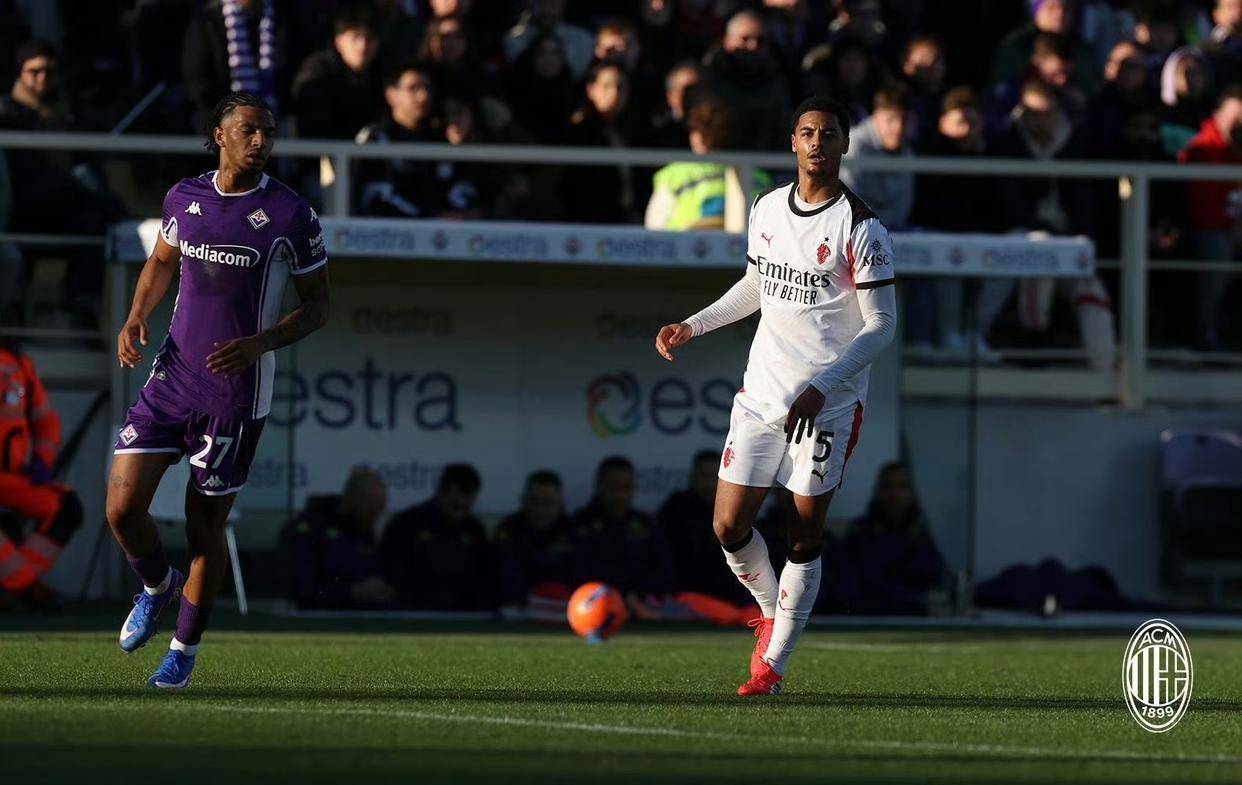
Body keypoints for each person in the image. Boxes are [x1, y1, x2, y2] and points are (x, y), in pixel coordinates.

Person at [654, 96, 897, 696]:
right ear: (793, 142)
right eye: (807, 132)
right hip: (762, 396)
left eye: (829, 134)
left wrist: (822, 386)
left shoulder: (861, 226)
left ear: (844, 146)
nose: (817, 143)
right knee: (728, 525)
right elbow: (756, 285)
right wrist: (693, 325)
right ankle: (771, 612)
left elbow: (881, 325)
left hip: (827, 406)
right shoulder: (765, 207)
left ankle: (773, 666)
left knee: (803, 534)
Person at [107, 91, 330, 690]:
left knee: (203, 527)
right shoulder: (185, 197)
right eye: (250, 130)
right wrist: (135, 316)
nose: (261, 142)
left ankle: (183, 650)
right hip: (172, 378)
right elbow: (161, 261)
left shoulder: (290, 214)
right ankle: (158, 585)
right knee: (121, 509)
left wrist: (259, 344)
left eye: (269, 133)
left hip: (234, 394)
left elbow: (319, 308)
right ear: (220, 135)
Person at [0, 339, 82, 609]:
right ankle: (28, 588)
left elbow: (45, 421)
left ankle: (19, 586)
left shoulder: (18, 364)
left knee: (66, 507)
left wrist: (42, 461)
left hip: (13, 477)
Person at [819, 461, 949, 614]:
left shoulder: (924, 538)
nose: (894, 494)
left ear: (912, 492)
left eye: (901, 486)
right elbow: (851, 587)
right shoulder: (858, 536)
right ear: (878, 490)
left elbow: (933, 585)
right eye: (888, 486)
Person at [644, 99, 772, 233]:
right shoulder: (758, 176)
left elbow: (653, 228)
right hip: (743, 244)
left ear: (697, 137)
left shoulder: (675, 175)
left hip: (685, 244)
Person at [1178, 85, 1242, 350]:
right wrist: (1234, 227)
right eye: (1235, 119)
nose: (1239, 126)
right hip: (1205, 230)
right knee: (1217, 250)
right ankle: (1204, 334)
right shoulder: (1202, 150)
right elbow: (1204, 212)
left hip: (1232, 228)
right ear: (1218, 116)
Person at [569, 456, 676, 610]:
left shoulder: (647, 524)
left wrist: (639, 595)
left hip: (641, 605)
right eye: (612, 486)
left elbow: (664, 571)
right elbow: (576, 573)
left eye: (626, 487)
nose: (619, 494)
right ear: (599, 486)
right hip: (592, 604)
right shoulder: (579, 524)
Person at [380, 463, 493, 611]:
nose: (460, 513)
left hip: (463, 612)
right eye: (455, 506)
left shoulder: (474, 530)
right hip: (415, 610)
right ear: (440, 492)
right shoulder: (407, 524)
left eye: (467, 508)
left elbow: (484, 576)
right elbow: (392, 572)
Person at [284, 467, 396, 610]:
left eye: (379, 510)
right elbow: (304, 590)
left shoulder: (364, 531)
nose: (375, 518)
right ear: (351, 500)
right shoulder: (310, 531)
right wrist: (352, 592)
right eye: (370, 510)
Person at [658, 450, 751, 605]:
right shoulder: (676, 509)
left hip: (731, 595)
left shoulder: (735, 509)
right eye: (703, 476)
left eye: (714, 476)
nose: (709, 483)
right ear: (692, 478)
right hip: (686, 593)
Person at [290, 3, 382, 139]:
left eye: (369, 38)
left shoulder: (382, 73)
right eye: (355, 37)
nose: (362, 46)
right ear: (338, 41)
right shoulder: (317, 73)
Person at [702, 9, 790, 150]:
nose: (753, 46)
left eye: (760, 40)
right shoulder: (708, 79)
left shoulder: (778, 78)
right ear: (727, 40)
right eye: (745, 39)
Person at [493, 470, 576, 614]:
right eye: (534, 501)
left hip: (566, 610)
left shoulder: (575, 532)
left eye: (547, 503)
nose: (540, 510)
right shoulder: (509, 530)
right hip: (517, 610)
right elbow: (504, 577)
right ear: (523, 501)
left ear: (560, 504)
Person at [503, 0, 594, 80]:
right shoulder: (513, 40)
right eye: (540, 3)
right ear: (528, 3)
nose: (546, 10)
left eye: (553, 4)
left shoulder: (583, 40)